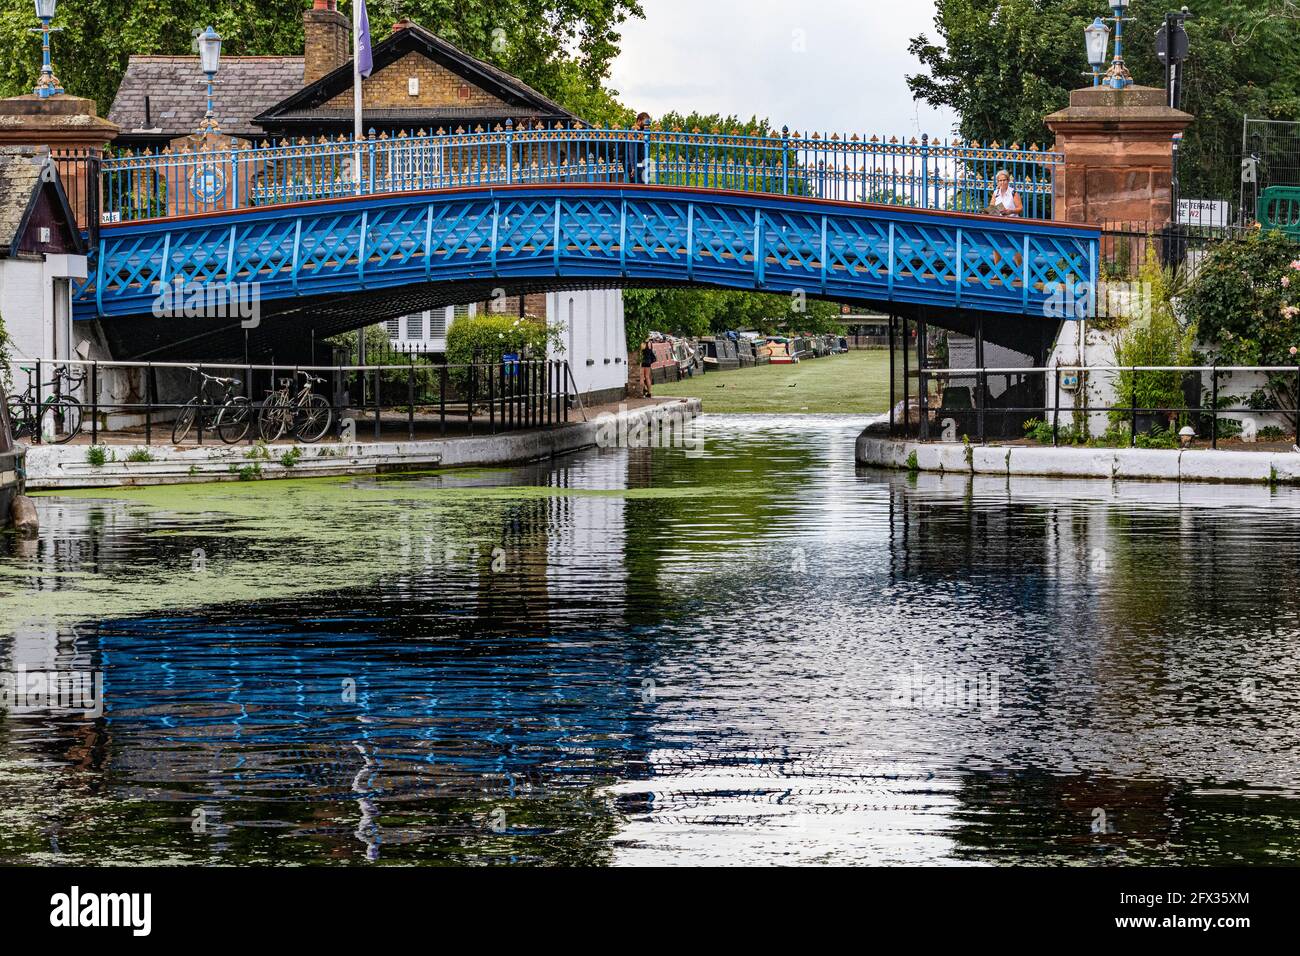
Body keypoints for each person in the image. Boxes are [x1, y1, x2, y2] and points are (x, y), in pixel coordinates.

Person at [625, 112, 651, 184]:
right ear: (639, 121)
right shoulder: (634, 132)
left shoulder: (643, 133)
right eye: (645, 122)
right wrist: (633, 167)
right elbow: (631, 150)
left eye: (648, 123)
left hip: (641, 164)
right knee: (637, 186)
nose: (647, 125)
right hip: (634, 165)